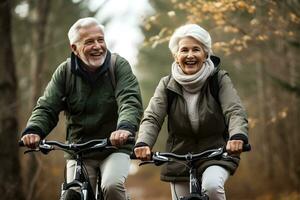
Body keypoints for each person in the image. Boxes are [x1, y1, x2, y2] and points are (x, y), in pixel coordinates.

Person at [20, 17, 143, 200]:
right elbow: (47, 106)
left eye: (100, 40)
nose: (97, 46)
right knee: (73, 192)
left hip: (114, 147)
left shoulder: (118, 66)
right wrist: (34, 130)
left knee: (112, 185)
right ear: (74, 48)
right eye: (89, 42)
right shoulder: (65, 72)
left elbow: (129, 100)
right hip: (79, 149)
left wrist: (124, 128)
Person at [134, 24, 249, 200]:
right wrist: (143, 142)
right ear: (175, 55)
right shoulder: (167, 84)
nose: (190, 55)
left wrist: (237, 137)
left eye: (196, 49)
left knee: (211, 187)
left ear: (206, 54)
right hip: (179, 156)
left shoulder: (218, 79)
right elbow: (152, 117)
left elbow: (234, 110)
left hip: (216, 152)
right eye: (184, 50)